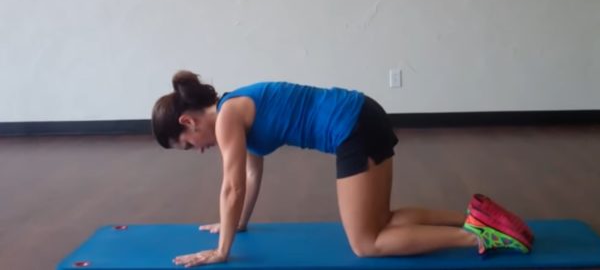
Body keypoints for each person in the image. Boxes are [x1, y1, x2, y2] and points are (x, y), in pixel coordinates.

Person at [152, 71, 534, 267]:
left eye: (187, 145)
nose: (198, 151)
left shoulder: (227, 117)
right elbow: (250, 177)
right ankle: (476, 217)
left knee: (365, 243)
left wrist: (221, 251)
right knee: (381, 219)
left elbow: (230, 188)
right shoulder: (235, 111)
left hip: (352, 126)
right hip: (363, 113)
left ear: (188, 122)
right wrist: (238, 225)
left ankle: (478, 237)